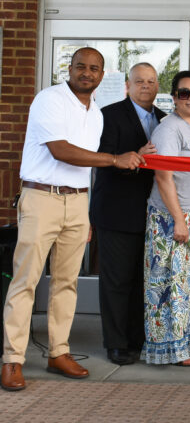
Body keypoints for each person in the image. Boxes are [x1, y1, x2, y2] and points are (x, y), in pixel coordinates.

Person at [1, 47, 144, 392]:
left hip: (78, 201)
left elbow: (87, 167)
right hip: (41, 197)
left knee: (67, 283)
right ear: (70, 68)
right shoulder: (49, 99)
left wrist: (89, 210)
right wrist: (115, 159)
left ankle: (58, 352)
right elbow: (61, 150)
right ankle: (11, 360)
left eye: (94, 68)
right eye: (81, 66)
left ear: (102, 74)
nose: (87, 73)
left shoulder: (95, 112)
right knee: (26, 281)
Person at [142, 71, 190, 366]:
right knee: (172, 286)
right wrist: (178, 219)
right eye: (184, 93)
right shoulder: (168, 129)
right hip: (174, 217)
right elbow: (164, 177)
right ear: (174, 97)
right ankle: (173, 347)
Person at [90, 62, 165, 366]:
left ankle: (137, 338)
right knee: (117, 281)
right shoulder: (108, 115)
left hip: (151, 213)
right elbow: (101, 159)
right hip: (116, 211)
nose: (145, 86)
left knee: (140, 280)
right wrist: (136, 157)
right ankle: (117, 343)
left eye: (151, 81)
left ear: (157, 85)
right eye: (139, 81)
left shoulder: (164, 119)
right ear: (128, 86)